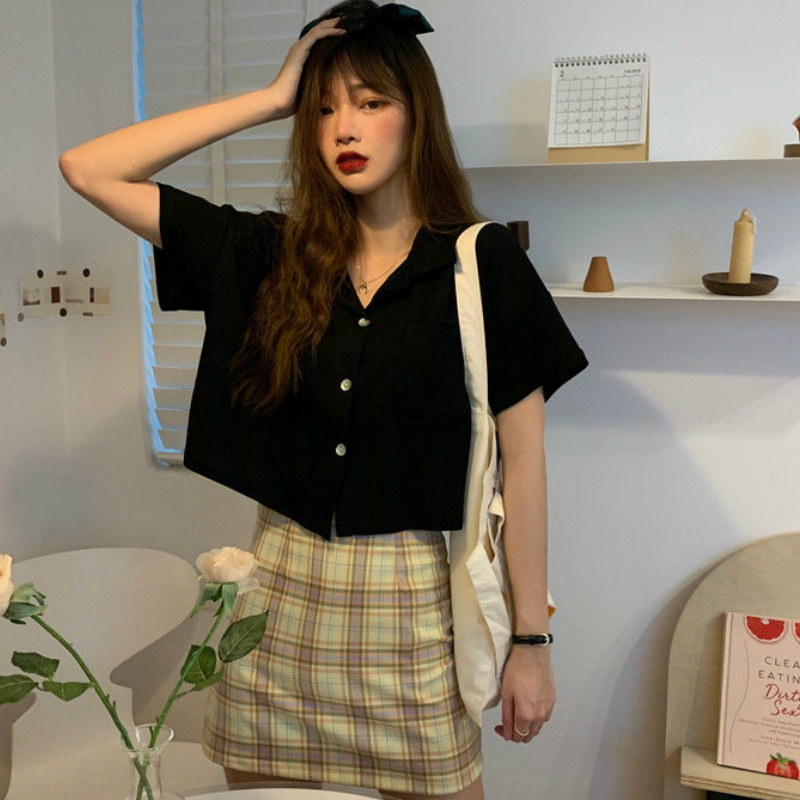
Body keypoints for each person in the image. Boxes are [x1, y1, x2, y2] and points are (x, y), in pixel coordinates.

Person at [59, 2, 587, 798]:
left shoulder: (481, 265)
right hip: (276, 611)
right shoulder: (269, 255)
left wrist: (532, 642)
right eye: (325, 109)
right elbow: (89, 168)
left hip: (411, 617)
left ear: (417, 116)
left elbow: (525, 463)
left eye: (371, 103)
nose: (345, 127)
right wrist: (272, 97)